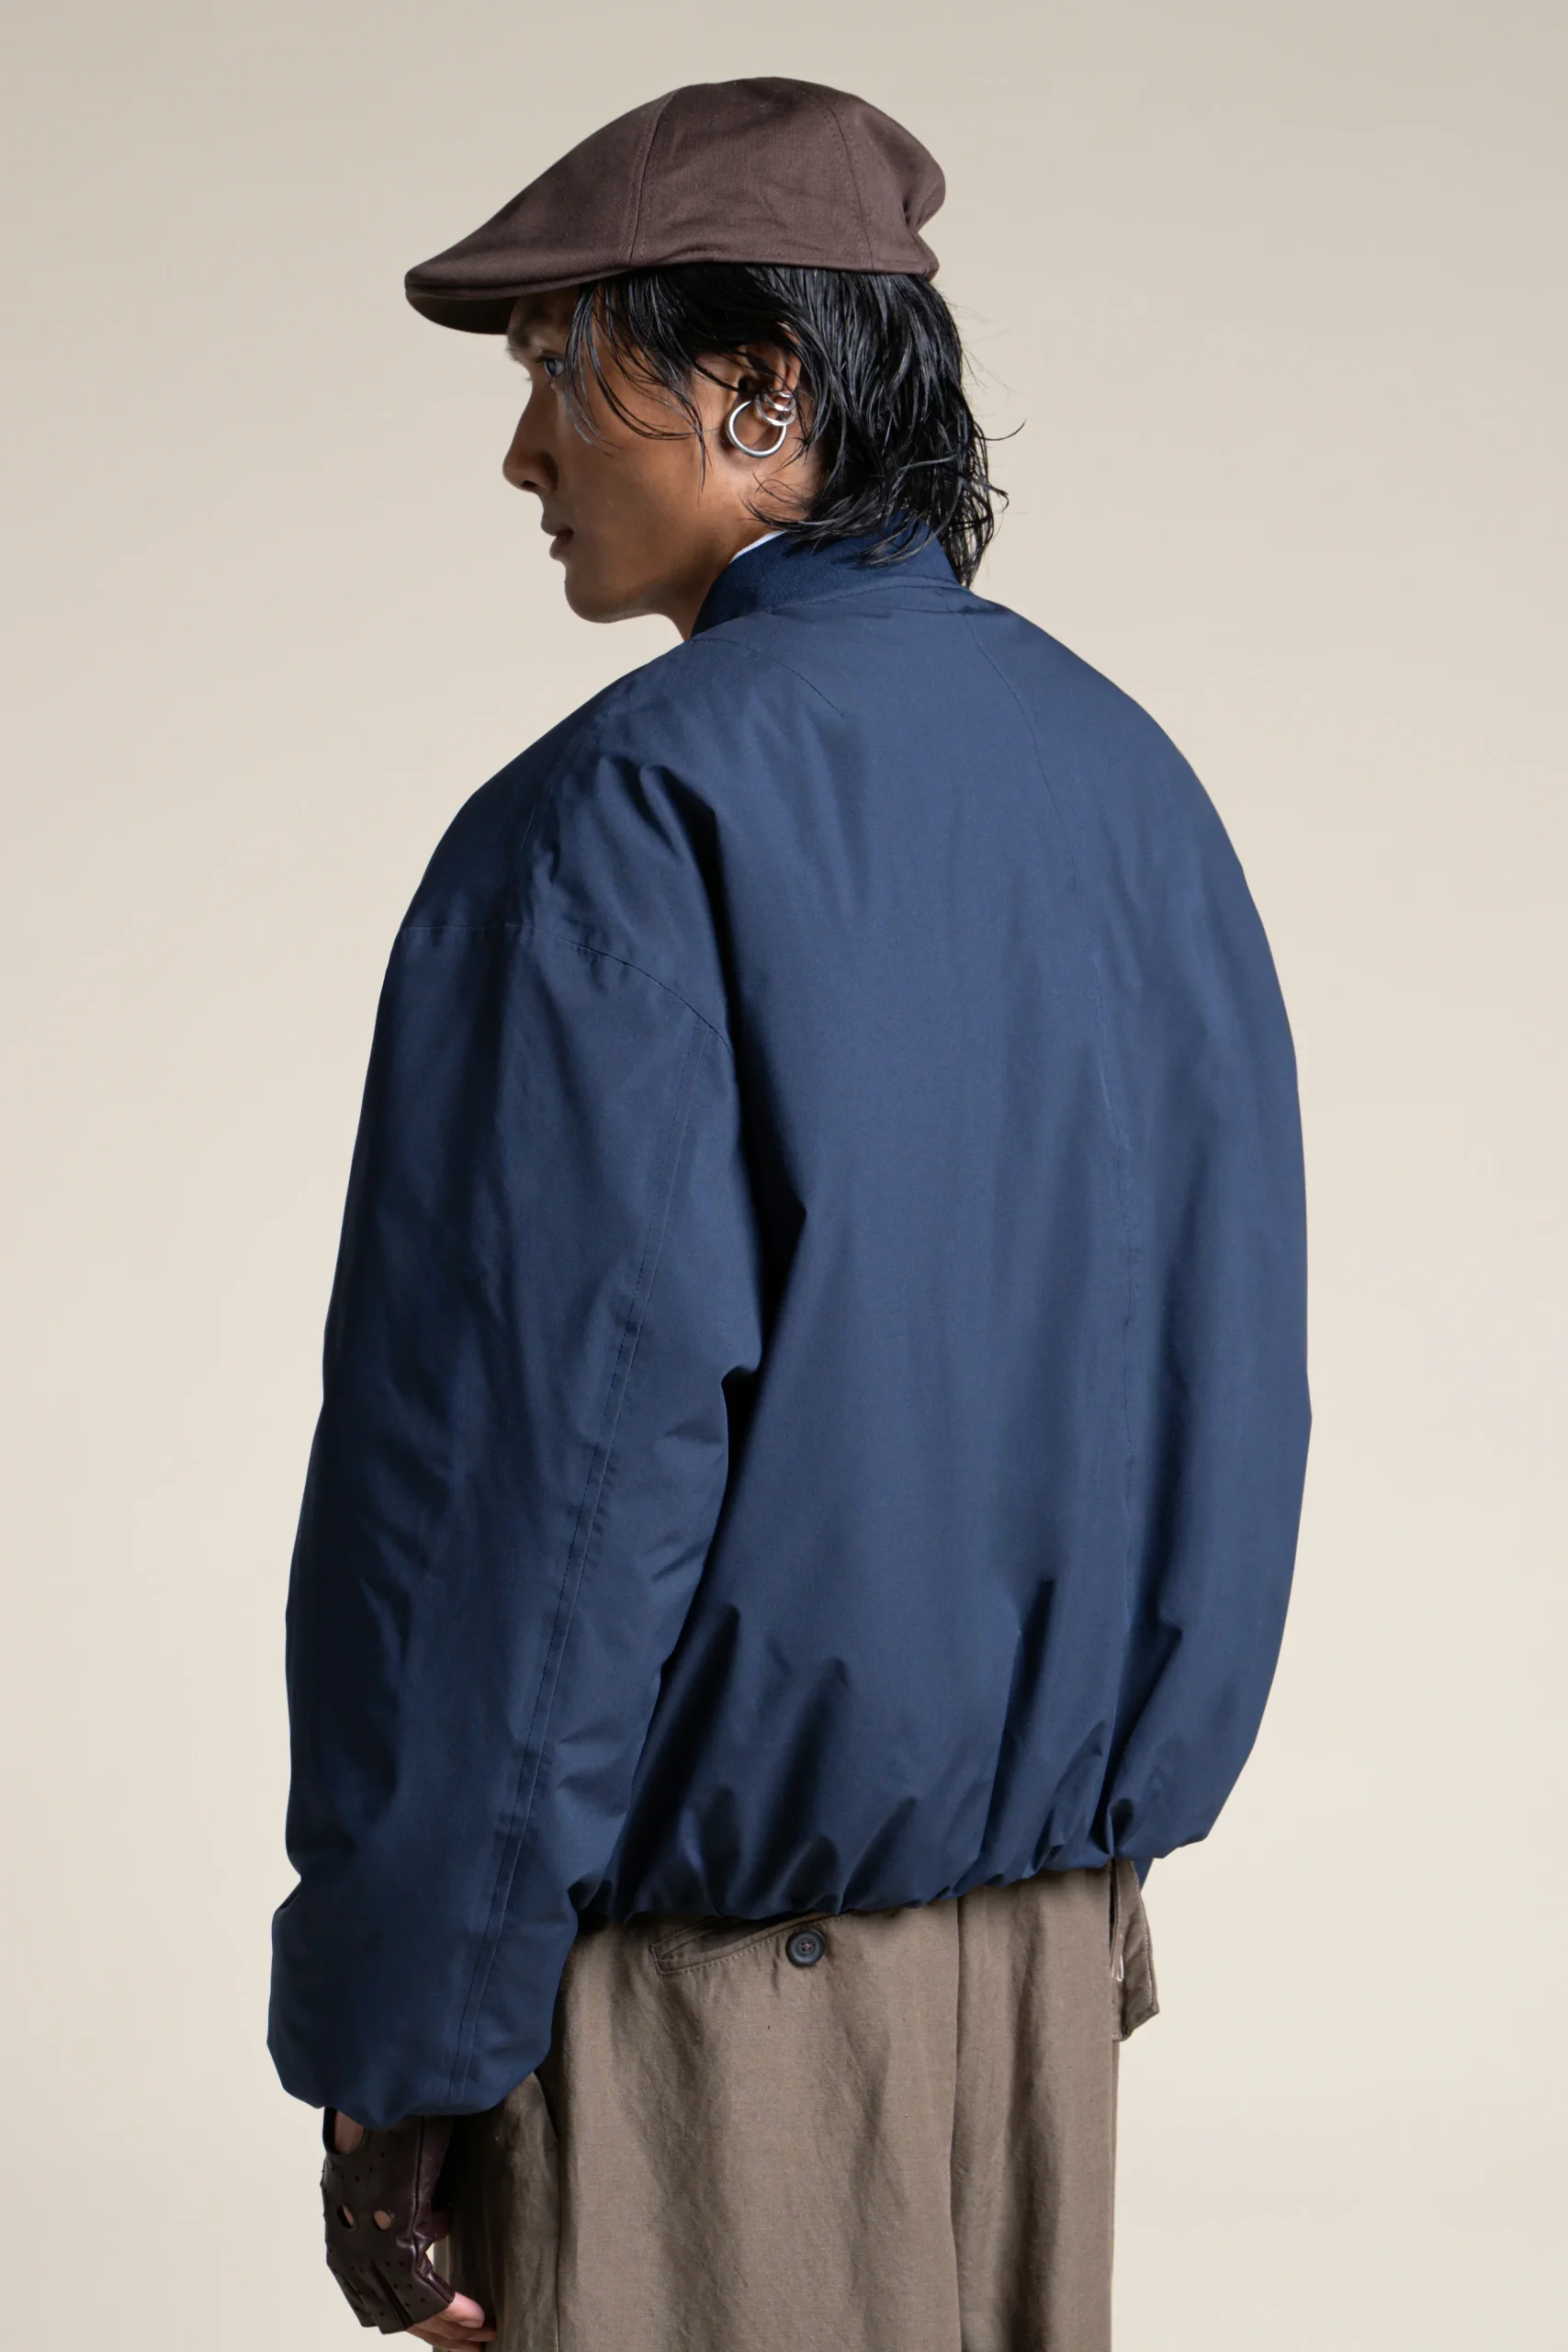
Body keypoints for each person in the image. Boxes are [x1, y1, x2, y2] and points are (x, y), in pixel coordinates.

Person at [270, 75, 1310, 2352]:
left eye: (561, 373)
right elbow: (1222, 1372)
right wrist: (1095, 1858)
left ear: (759, 391)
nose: (523, 451)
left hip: (707, 2013)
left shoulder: (621, 821)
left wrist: (405, 2042)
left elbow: (531, 1492)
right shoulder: (1131, 788)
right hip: (1042, 1978)